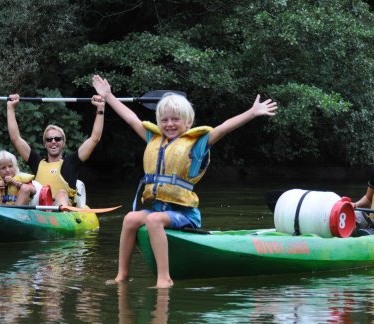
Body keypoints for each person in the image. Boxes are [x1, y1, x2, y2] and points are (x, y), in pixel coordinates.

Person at [92, 74, 277, 288]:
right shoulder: (154, 139)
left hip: (185, 215)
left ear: (188, 122)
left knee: (153, 221)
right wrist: (109, 96)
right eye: (164, 120)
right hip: (160, 209)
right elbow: (132, 119)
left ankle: (164, 278)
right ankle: (122, 275)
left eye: (175, 119)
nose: (169, 124)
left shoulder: (197, 145)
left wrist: (252, 113)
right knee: (130, 218)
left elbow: (225, 127)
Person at [6, 94, 105, 206]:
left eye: (57, 139)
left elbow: (95, 138)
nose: (53, 141)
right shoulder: (36, 162)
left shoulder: (72, 162)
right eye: (49, 139)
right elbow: (15, 138)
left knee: (61, 193)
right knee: (25, 189)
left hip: (62, 210)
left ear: (63, 142)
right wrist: (10, 107)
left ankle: (61, 215)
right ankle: (17, 217)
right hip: (40, 209)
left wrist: (100, 108)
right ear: (45, 144)